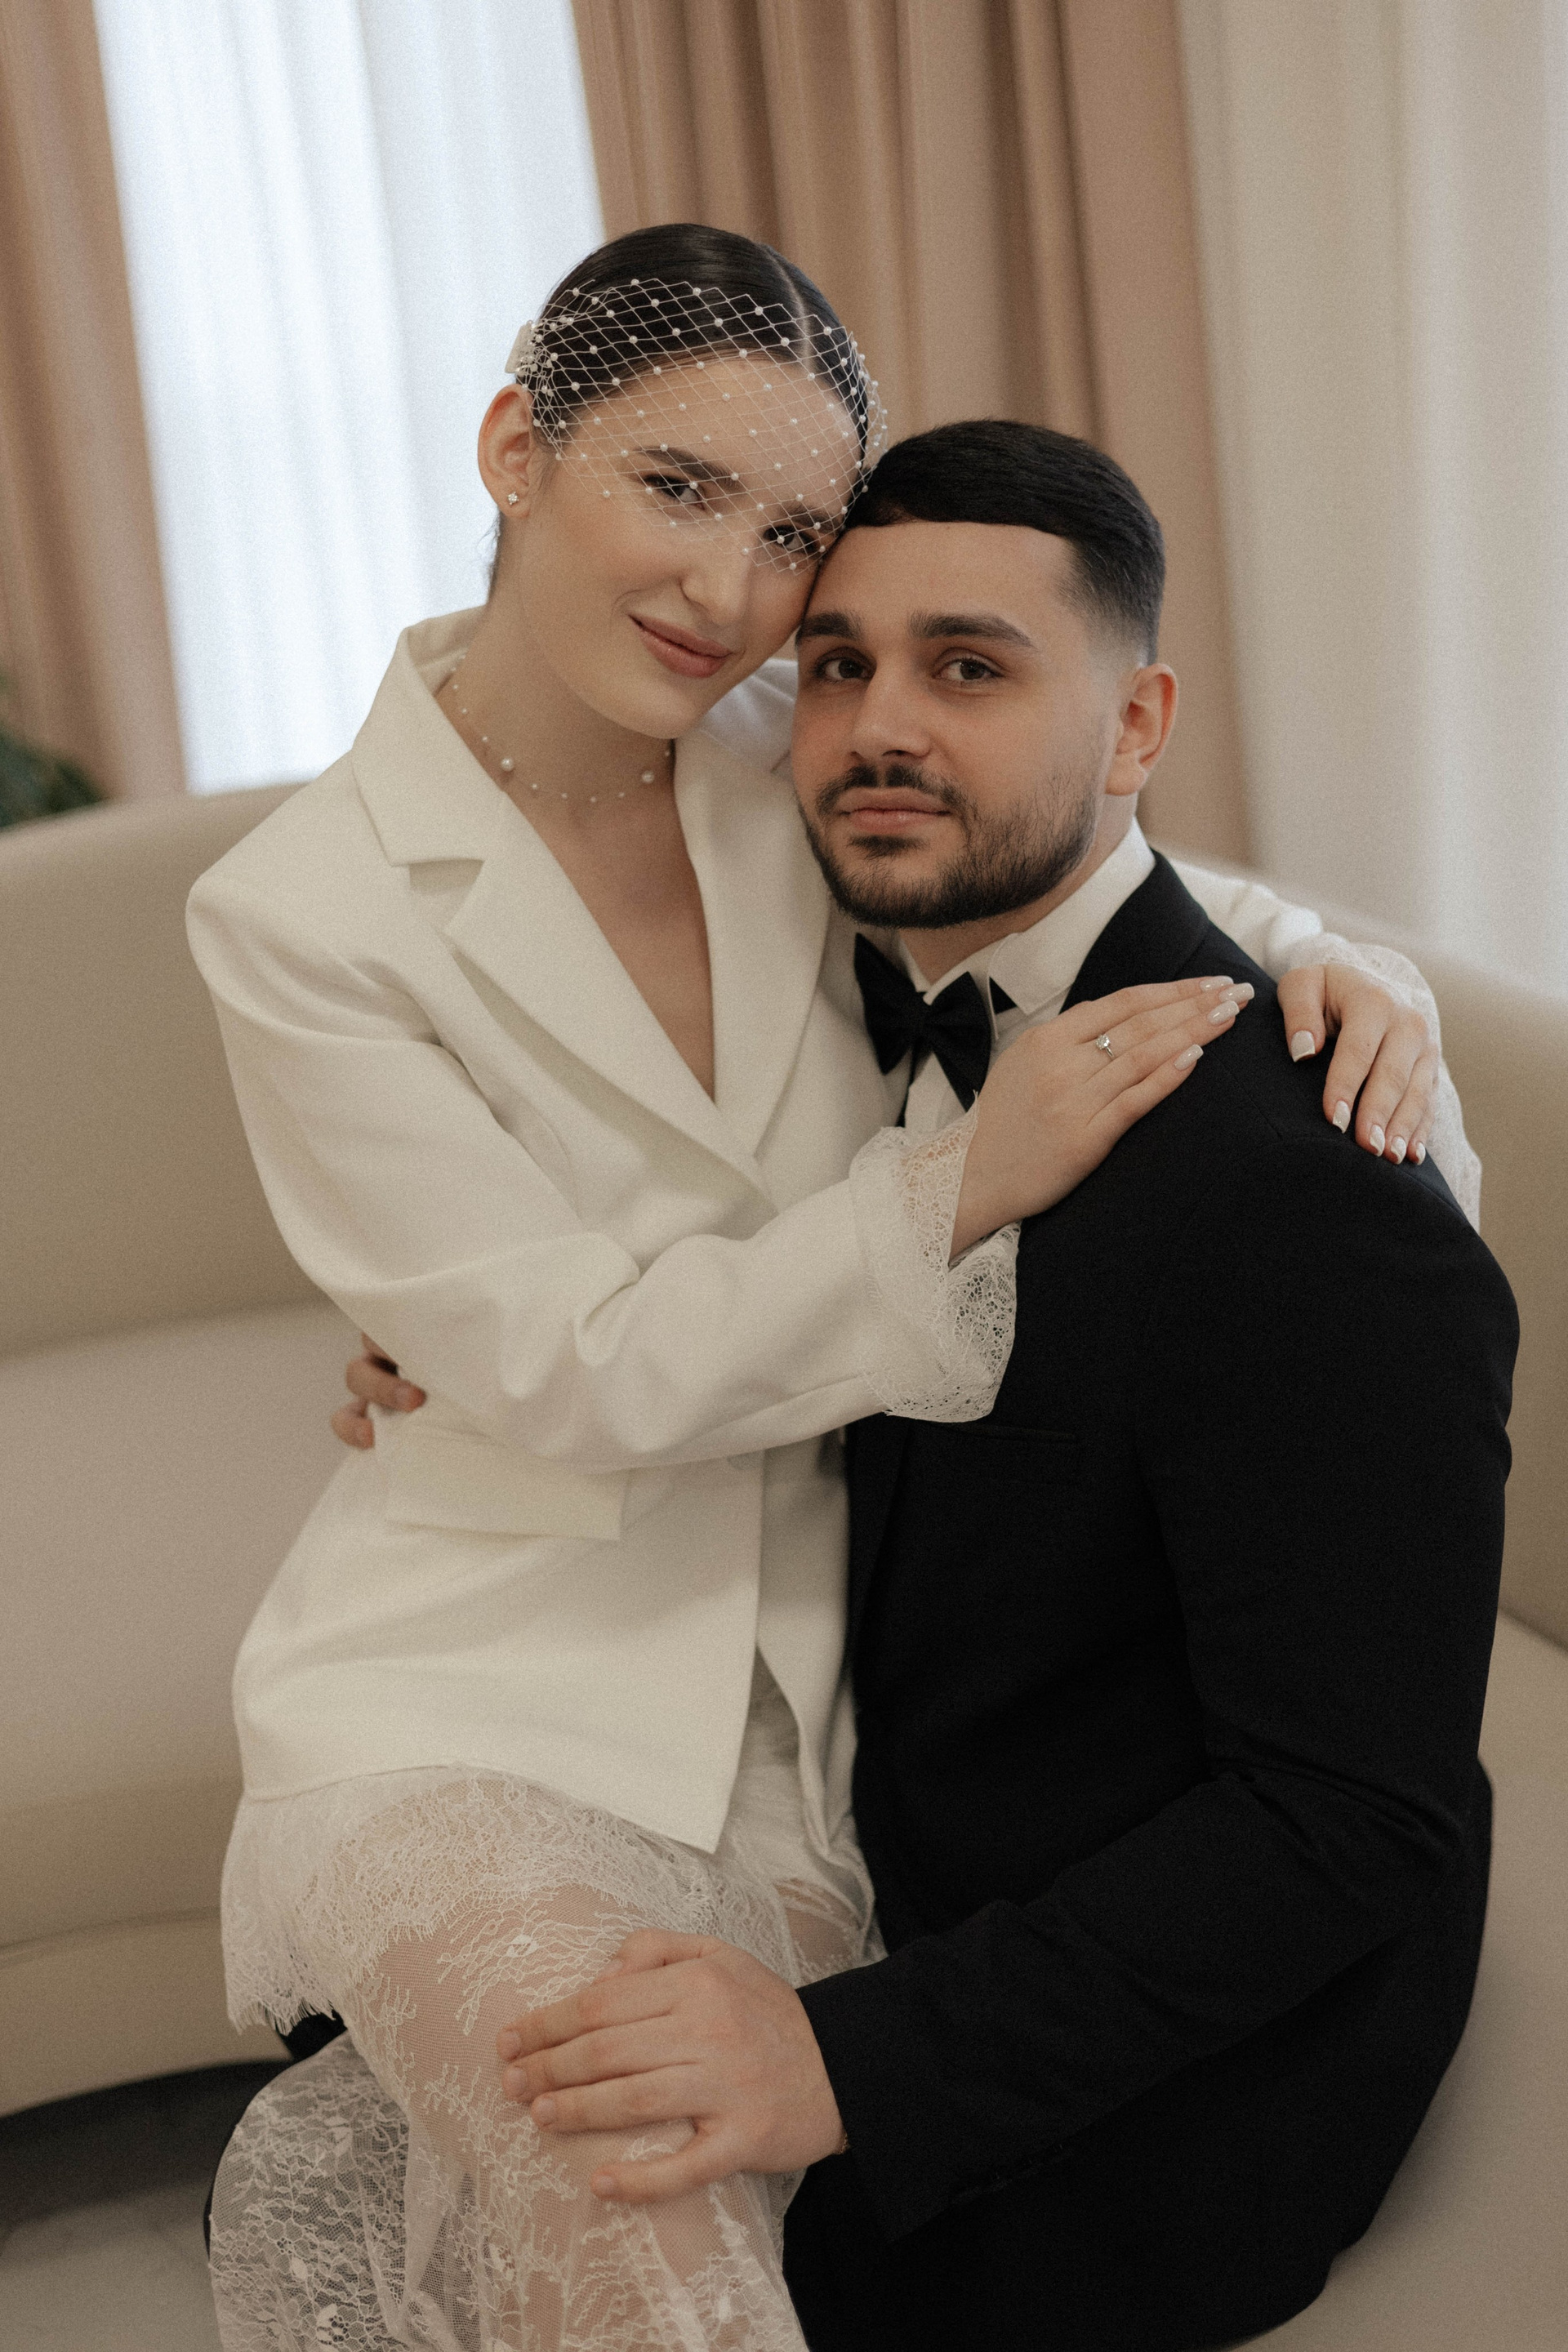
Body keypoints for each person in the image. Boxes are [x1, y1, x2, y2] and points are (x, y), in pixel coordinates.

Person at [194, 214, 1463, 2350]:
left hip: (819, 1706)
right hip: (481, 1675)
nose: (730, 589)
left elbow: (1072, 846)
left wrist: (1347, 969)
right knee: (613, 2175)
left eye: (790, 531)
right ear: (516, 449)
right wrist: (958, 1183)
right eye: (676, 488)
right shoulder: (297, 915)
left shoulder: (788, 741)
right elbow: (575, 1368)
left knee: (704, 2195)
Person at [468, 422, 1515, 2352]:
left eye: (970, 667)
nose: (881, 726)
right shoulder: (848, 1003)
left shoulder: (1311, 1193)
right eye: (840, 664)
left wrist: (844, 2060)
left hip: (1164, 2067)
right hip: (904, 1828)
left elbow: (1352, 1818)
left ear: (1137, 727)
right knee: (420, 2056)